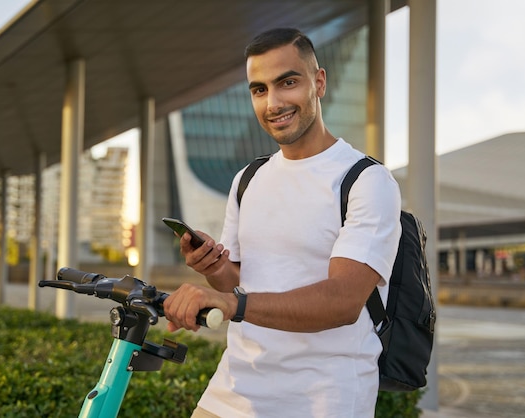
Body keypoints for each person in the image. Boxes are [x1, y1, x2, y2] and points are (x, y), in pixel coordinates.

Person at [163, 27, 402, 417]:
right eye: (259, 90)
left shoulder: (366, 181)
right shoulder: (248, 179)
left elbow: (343, 302)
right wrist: (216, 268)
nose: (273, 103)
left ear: (318, 82)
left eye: (287, 83)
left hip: (324, 397)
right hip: (236, 387)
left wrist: (228, 303)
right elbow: (242, 285)